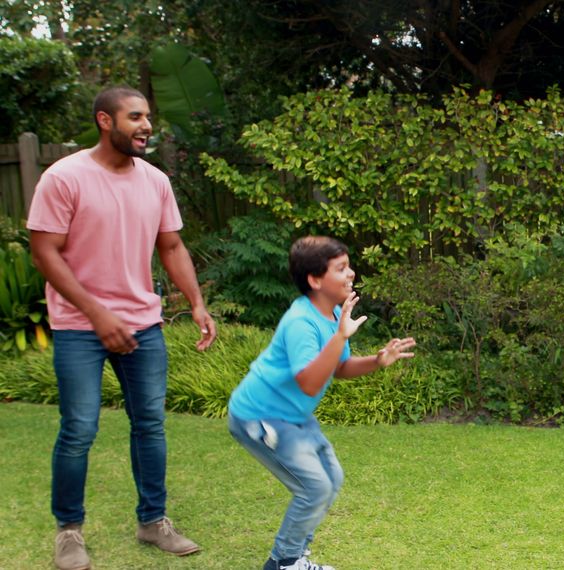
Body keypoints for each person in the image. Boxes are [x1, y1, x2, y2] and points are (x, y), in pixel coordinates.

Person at [27, 86, 217, 569]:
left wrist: (197, 303)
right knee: (79, 430)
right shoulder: (64, 177)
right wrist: (96, 314)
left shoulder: (155, 181)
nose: (146, 125)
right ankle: (69, 532)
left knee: (150, 424)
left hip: (143, 326)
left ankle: (153, 521)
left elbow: (171, 247)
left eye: (148, 117)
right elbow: (44, 252)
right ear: (104, 121)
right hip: (77, 327)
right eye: (135, 117)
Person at [228, 236, 416, 570]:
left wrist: (377, 360)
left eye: (349, 266)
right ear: (315, 280)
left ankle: (295, 557)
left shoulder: (330, 315)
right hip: (260, 416)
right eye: (341, 268)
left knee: (331, 477)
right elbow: (309, 380)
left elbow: (338, 368)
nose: (351, 274)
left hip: (292, 415)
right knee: (313, 487)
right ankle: (284, 562)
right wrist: (342, 335)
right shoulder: (302, 322)